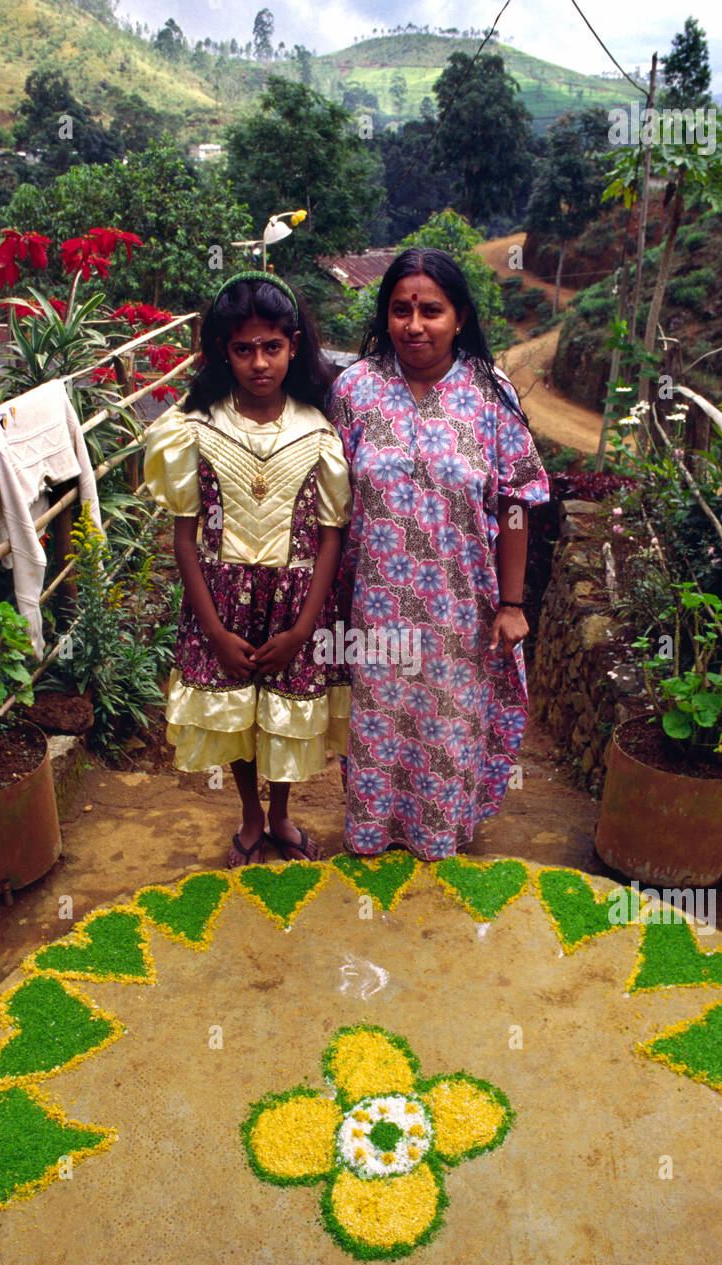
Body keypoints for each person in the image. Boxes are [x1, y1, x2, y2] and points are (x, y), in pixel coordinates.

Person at [328, 248, 549, 861]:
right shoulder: (354, 390)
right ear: (385, 315)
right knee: (378, 725)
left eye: (431, 310)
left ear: (459, 316)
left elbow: (514, 502)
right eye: (401, 310)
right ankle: (373, 836)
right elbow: (326, 503)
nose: (414, 325)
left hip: (462, 608)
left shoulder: (489, 393)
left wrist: (511, 603)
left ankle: (438, 837)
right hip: (374, 606)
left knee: (445, 729)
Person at [143, 272, 351, 866]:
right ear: (221, 353)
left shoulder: (319, 432)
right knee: (236, 715)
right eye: (243, 349)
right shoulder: (195, 429)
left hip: (296, 603)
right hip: (221, 600)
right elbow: (185, 539)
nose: (259, 363)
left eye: (272, 347)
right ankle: (250, 816)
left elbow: (331, 537)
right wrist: (211, 629)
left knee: (286, 714)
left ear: (293, 346)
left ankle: (281, 813)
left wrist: (304, 628)